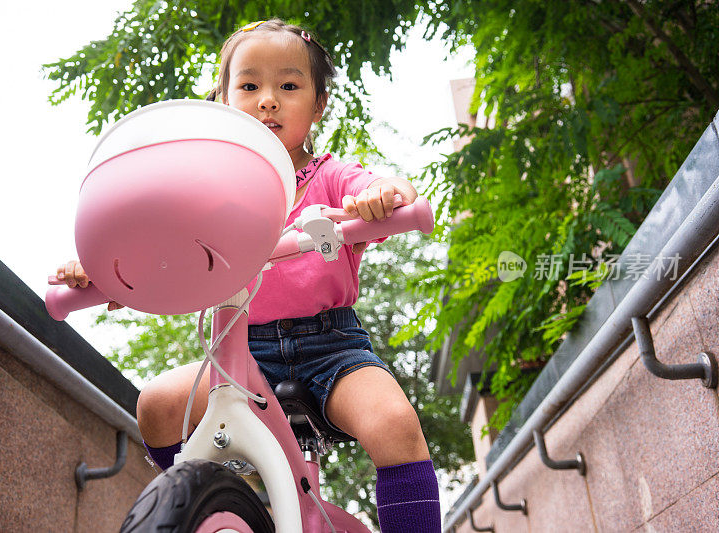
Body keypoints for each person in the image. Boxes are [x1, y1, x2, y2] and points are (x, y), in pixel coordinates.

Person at [57, 18, 440, 532]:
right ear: (224, 100)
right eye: (250, 86)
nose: (268, 100)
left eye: (288, 85)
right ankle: (212, 501)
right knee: (157, 405)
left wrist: (384, 196)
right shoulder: (208, 195)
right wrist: (111, 266)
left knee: (394, 424)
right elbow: (159, 245)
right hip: (239, 351)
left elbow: (383, 186)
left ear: (318, 103)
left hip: (331, 347)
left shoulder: (330, 176)